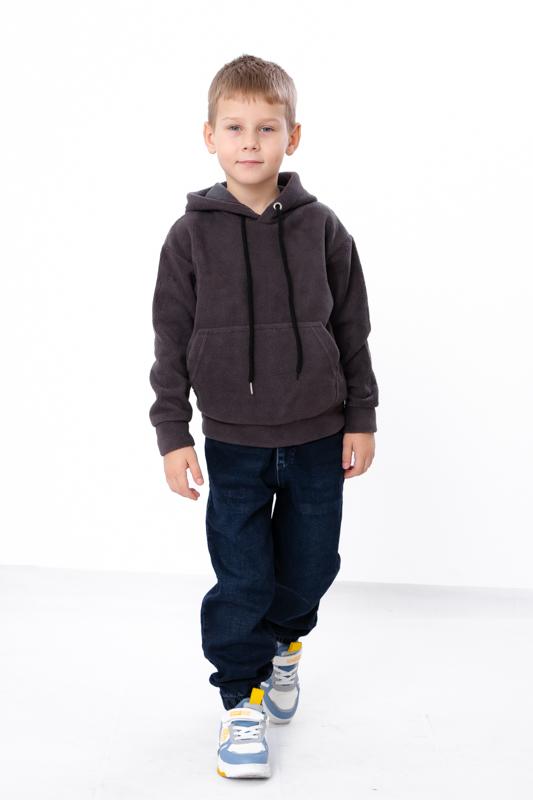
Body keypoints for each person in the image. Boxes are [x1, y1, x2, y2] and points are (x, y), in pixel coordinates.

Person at [148, 53, 379, 780]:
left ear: (292, 136)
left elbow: (351, 327)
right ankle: (240, 699)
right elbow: (169, 338)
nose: (250, 142)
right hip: (233, 443)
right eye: (234, 127)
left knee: (311, 567)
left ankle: (285, 643)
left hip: (318, 433)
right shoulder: (189, 236)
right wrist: (172, 433)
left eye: (266, 128)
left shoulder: (322, 228)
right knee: (242, 575)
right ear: (209, 136)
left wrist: (362, 415)